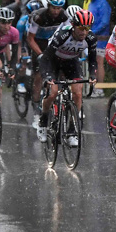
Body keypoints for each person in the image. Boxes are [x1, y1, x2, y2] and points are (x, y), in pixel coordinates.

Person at [37, 9, 97, 144]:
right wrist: (47, 76)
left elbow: (93, 60)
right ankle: (43, 120)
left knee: (77, 93)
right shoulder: (62, 35)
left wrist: (93, 74)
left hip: (71, 62)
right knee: (52, 93)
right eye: (81, 28)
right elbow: (46, 58)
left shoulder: (91, 38)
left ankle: (71, 130)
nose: (84, 32)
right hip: (53, 61)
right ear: (73, 25)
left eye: (87, 28)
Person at [26, 0, 69, 128]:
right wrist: (40, 55)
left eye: (58, 8)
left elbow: (67, 34)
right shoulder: (39, 17)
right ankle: (36, 112)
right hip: (39, 43)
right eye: (53, 7)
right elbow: (30, 39)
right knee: (39, 76)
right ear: (48, 5)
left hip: (54, 43)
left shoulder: (64, 16)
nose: (56, 11)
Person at [81, 0, 111, 97]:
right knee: (92, 61)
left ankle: (100, 88)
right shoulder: (92, 2)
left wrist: (91, 32)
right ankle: (93, 87)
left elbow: (105, 22)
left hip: (100, 38)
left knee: (99, 62)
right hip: (91, 36)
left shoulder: (103, 3)